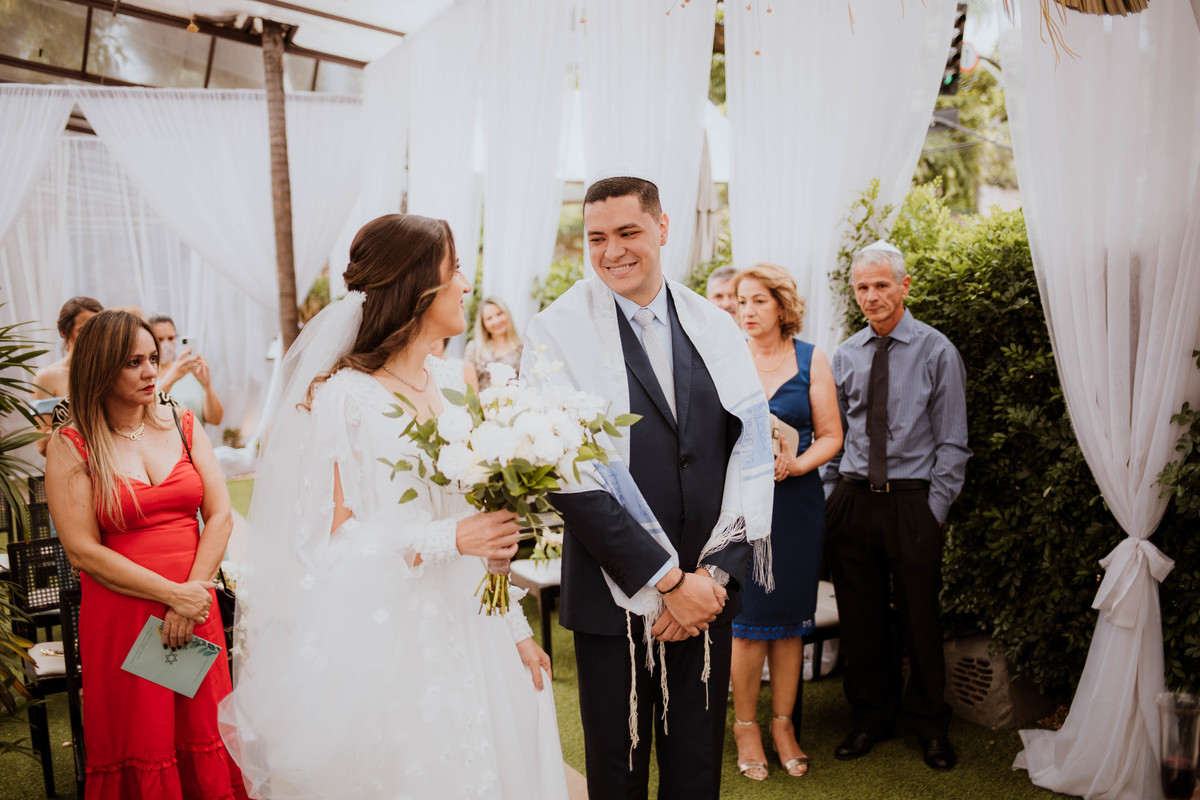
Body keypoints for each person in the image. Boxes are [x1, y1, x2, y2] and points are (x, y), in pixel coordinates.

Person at [218, 214, 567, 799]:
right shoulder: (343, 397)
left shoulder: (455, 382)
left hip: (475, 620)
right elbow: (330, 542)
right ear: (416, 286)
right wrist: (449, 538)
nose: (466, 284)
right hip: (394, 637)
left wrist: (514, 627)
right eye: (454, 270)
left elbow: (475, 515)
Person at [522, 174, 775, 799]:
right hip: (612, 597)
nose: (612, 251)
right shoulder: (556, 333)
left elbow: (746, 450)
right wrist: (667, 583)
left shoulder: (714, 326)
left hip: (706, 596)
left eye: (628, 232)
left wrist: (711, 579)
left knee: (696, 773)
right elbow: (566, 477)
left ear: (662, 228)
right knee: (618, 773)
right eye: (597, 238)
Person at [43, 310, 248, 799]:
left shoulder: (182, 422)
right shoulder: (72, 443)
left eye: (153, 358)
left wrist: (188, 597)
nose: (151, 370)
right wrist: (174, 596)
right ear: (100, 367)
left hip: (194, 608)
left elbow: (220, 516)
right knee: (143, 736)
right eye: (133, 362)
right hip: (125, 614)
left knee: (202, 726)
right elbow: (82, 550)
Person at [820, 241, 971, 772]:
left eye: (881, 285)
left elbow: (953, 440)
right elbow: (833, 434)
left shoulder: (937, 351)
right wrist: (831, 498)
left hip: (912, 503)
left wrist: (934, 510)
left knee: (919, 618)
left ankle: (929, 724)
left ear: (904, 286)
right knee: (860, 619)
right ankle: (870, 718)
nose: (871, 296)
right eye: (862, 287)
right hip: (853, 500)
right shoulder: (845, 354)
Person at [728, 264, 842, 781]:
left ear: (781, 306)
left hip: (796, 507)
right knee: (747, 625)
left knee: (792, 624)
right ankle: (745, 727)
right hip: (742, 508)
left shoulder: (811, 358)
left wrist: (796, 465)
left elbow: (831, 435)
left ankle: (783, 726)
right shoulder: (729, 358)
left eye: (758, 300)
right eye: (741, 301)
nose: (746, 311)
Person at [32, 296, 103, 454]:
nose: (93, 336)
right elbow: (42, 445)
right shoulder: (48, 377)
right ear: (64, 332)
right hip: (73, 462)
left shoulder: (114, 371)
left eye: (99, 329)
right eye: (83, 330)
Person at [148, 315, 224, 426]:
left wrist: (206, 386)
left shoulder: (191, 372)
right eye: (160, 339)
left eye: (171, 338)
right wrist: (172, 378)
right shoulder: (146, 375)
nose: (166, 344)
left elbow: (215, 419)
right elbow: (145, 410)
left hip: (194, 436)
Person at [464, 296, 523, 390]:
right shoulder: (474, 348)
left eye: (499, 314)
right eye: (489, 318)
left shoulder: (521, 348)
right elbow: (469, 388)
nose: (496, 321)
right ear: (483, 323)